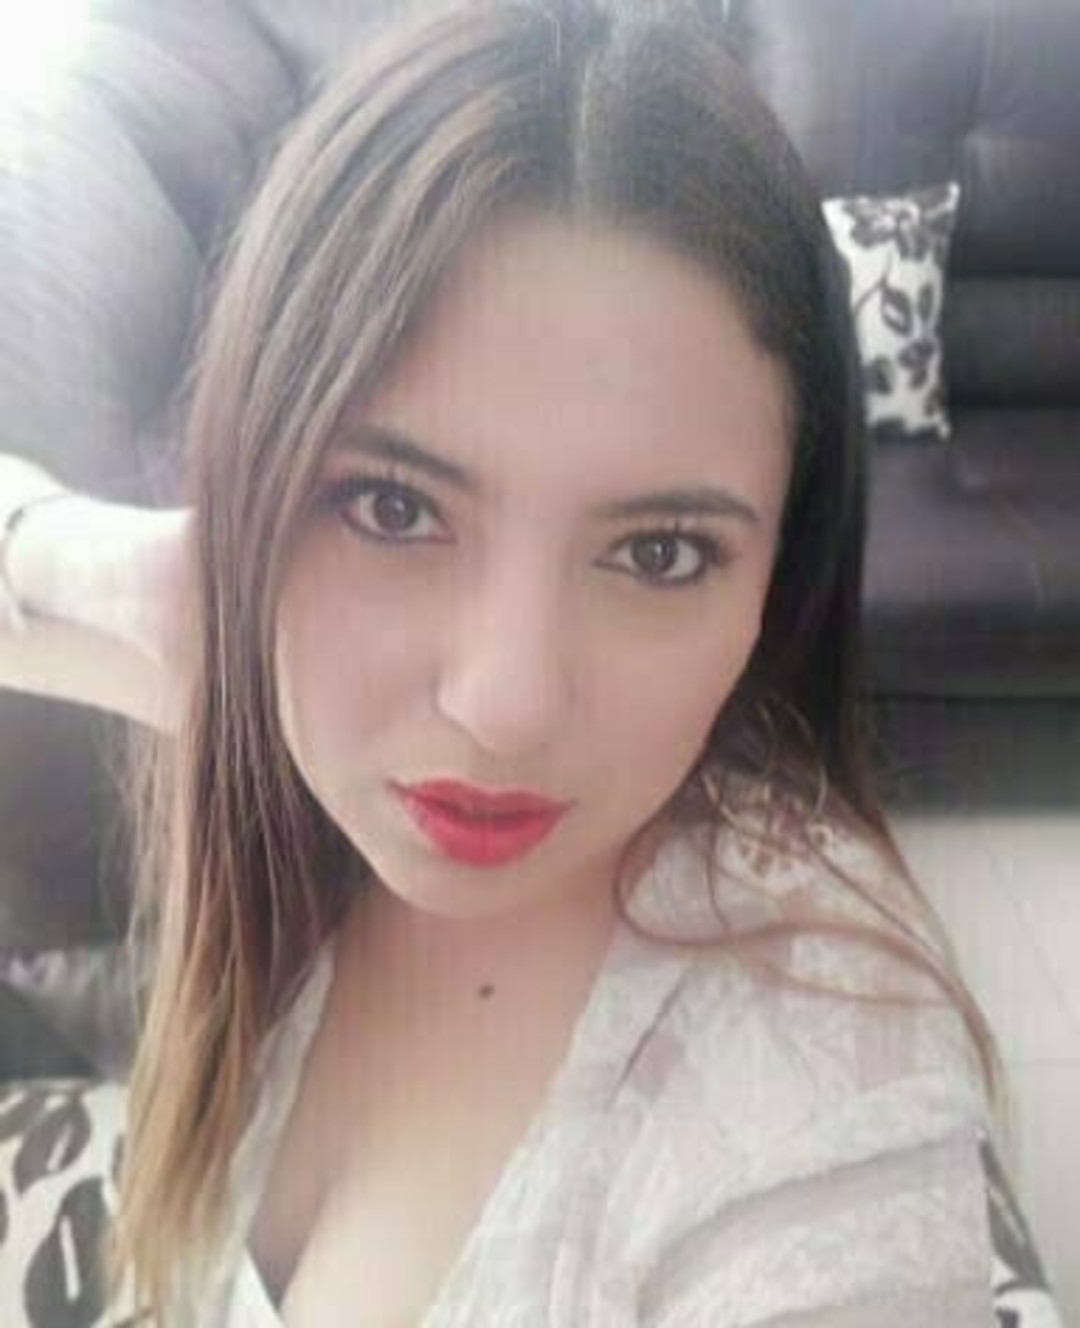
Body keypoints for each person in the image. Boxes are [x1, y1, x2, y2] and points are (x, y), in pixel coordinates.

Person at [0, 0, 1006, 1323]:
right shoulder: (266, 693)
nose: (505, 705)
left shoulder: (821, 1109)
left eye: (659, 553)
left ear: (779, 578)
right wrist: (112, 568)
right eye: (392, 507)